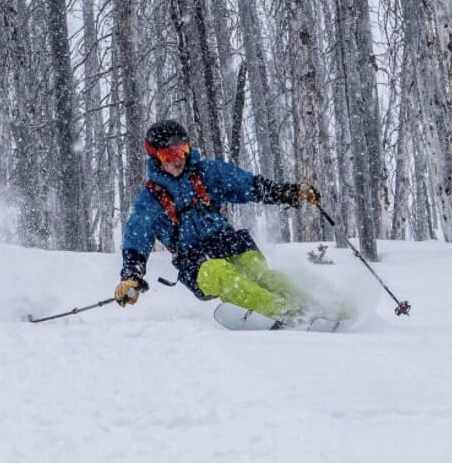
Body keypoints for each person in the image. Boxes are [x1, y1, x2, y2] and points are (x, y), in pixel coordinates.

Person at [114, 119, 323, 325]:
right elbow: (136, 240)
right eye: (169, 155)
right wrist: (131, 275)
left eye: (181, 151)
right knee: (220, 274)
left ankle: (319, 309)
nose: (178, 160)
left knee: (261, 275)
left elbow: (248, 185)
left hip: (230, 244)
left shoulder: (207, 172)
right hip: (195, 262)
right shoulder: (150, 199)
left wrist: (288, 193)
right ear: (156, 158)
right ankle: (286, 313)